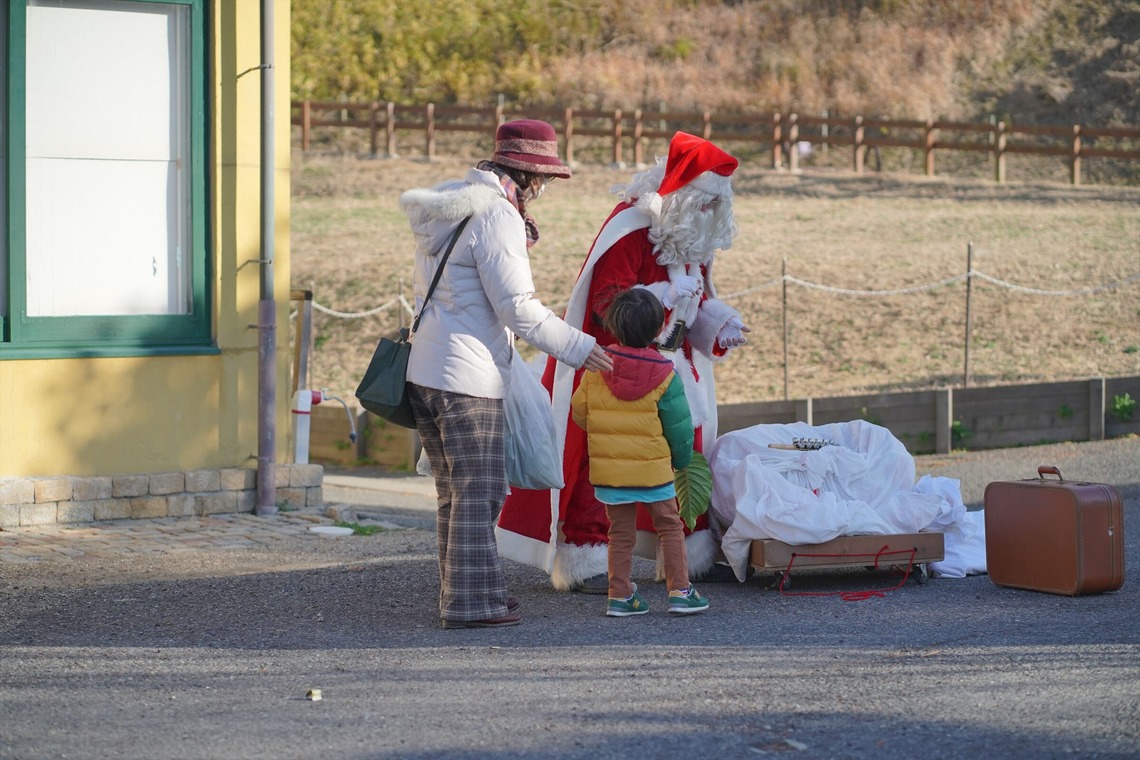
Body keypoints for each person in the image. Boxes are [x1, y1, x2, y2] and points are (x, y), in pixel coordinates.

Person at [496, 131, 748, 593]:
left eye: (717, 206)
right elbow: (605, 302)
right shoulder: (632, 227)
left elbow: (697, 304)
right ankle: (588, 555)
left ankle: (683, 554)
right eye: (703, 204)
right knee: (603, 461)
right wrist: (662, 296)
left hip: (674, 369)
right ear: (682, 195)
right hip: (615, 365)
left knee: (682, 456)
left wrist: (720, 322)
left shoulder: (693, 237)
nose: (709, 215)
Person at [399, 119, 613, 629]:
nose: (543, 192)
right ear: (527, 175)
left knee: (455, 491)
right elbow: (519, 308)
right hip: (468, 376)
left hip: (426, 368)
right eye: (543, 182)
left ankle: (469, 590)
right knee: (480, 490)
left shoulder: (452, 204)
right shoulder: (496, 216)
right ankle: (472, 603)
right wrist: (583, 348)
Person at [570, 287, 709, 617]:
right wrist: (681, 461)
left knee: (618, 533)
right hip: (654, 473)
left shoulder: (596, 369)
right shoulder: (665, 374)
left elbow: (579, 413)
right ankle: (679, 591)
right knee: (670, 527)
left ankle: (619, 594)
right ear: (660, 329)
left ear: (614, 326)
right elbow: (679, 427)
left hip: (611, 474)